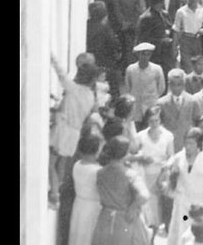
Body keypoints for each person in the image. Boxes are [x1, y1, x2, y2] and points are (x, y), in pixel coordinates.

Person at [50, 55, 101, 204]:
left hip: (63, 130)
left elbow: (61, 74)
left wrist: (53, 58)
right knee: (62, 163)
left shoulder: (73, 89)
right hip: (74, 133)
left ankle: (54, 194)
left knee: (51, 163)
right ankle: (57, 190)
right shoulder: (91, 97)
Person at [164, 127, 203, 245]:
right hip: (182, 205)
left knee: (201, 235)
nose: (187, 146)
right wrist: (172, 175)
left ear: (198, 144)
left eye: (191, 143)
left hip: (201, 206)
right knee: (182, 234)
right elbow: (169, 182)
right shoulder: (178, 157)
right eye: (186, 143)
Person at [93, 136, 152, 245]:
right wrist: (133, 207)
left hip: (105, 219)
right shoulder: (130, 175)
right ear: (125, 154)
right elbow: (144, 195)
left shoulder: (100, 173)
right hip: (125, 220)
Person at [135, 106, 174, 238]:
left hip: (161, 175)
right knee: (148, 210)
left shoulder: (168, 135)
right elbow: (136, 155)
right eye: (151, 120)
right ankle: (149, 238)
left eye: (156, 120)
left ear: (160, 120)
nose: (154, 123)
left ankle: (158, 234)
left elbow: (171, 156)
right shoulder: (140, 136)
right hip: (145, 175)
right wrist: (142, 158)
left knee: (160, 209)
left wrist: (166, 168)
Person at [68, 133, 104, 245]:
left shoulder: (77, 164)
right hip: (93, 208)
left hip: (79, 205)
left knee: (78, 236)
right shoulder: (98, 171)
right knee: (89, 237)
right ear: (96, 150)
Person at [124, 44, 166, 130]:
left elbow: (161, 87)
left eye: (148, 54)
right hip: (136, 107)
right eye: (143, 54)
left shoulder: (157, 69)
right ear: (138, 55)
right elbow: (128, 87)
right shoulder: (131, 69)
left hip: (151, 105)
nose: (145, 57)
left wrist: (153, 97)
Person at [138, 0, 176, 71]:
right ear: (151, 3)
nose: (160, 4)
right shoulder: (146, 17)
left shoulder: (165, 14)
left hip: (166, 50)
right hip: (155, 52)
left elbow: (170, 27)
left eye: (161, 2)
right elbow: (143, 38)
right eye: (156, 2)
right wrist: (161, 41)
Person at [172, 0, 203, 71]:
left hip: (198, 40)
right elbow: (176, 29)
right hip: (186, 41)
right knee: (188, 67)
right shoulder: (181, 12)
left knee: (199, 67)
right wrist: (174, 46)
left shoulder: (202, 11)